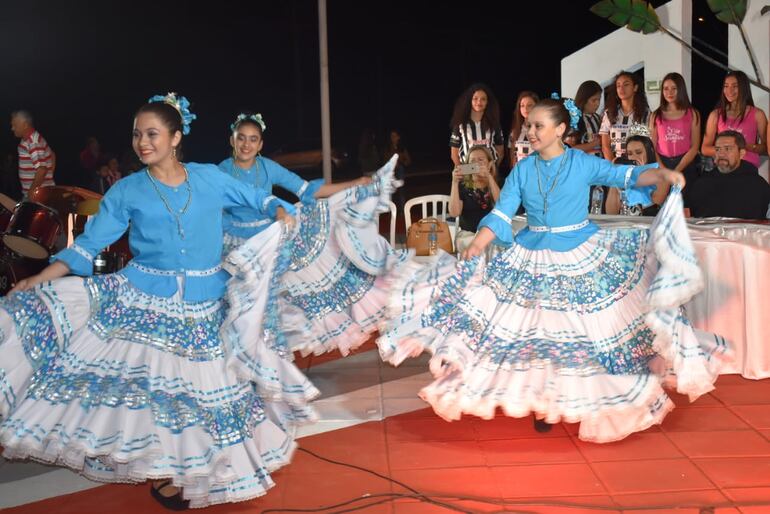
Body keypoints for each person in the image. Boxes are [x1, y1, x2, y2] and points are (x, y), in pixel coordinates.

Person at [0, 93, 318, 509]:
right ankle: (169, 471)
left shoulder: (208, 177)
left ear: (175, 137)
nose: (142, 142)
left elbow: (257, 198)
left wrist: (279, 209)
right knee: (158, 395)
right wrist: (43, 276)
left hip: (208, 302)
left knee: (205, 392)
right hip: (147, 300)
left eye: (152, 134)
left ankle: (197, 468)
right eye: (136, 135)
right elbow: (89, 246)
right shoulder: (128, 190)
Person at [378, 98, 730, 443]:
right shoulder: (523, 169)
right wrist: (479, 242)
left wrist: (665, 172)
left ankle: (589, 399)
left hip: (579, 253)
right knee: (538, 334)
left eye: (538, 126)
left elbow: (627, 174)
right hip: (531, 255)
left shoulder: (582, 162)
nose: (530, 132)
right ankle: (547, 401)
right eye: (529, 125)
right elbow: (502, 212)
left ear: (560, 129)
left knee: (585, 333)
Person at [219, 112, 372, 254]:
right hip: (234, 241)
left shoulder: (268, 167)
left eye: (253, 139)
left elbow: (307, 190)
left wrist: (354, 183)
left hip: (268, 238)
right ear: (232, 140)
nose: (246, 145)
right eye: (241, 138)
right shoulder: (221, 171)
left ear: (260, 145)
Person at [686, 130, 770, 219]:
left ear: (741, 153)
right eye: (717, 149)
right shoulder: (701, 183)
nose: (721, 154)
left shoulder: (757, 185)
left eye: (727, 149)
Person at [701, 70, 768, 170]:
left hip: (748, 168)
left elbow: (766, 148)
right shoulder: (716, 115)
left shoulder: (758, 114)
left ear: (743, 88)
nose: (729, 90)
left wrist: (745, 146)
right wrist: (726, 150)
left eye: (735, 86)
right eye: (726, 86)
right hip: (724, 168)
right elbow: (705, 149)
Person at [449, 145, 501, 257]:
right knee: (483, 246)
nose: (476, 163)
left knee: (500, 243)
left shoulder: (496, 184)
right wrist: (454, 183)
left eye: (481, 160)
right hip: (467, 235)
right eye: (472, 161)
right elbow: (454, 213)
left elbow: (502, 206)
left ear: (490, 164)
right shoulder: (462, 186)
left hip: (491, 233)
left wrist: (489, 177)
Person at [649, 72, 701, 185]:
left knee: (687, 201)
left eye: (674, 88)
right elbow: (651, 147)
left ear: (681, 89)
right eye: (666, 89)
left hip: (686, 165)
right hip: (662, 165)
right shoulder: (655, 115)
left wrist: (677, 170)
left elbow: (695, 146)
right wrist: (663, 169)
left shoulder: (693, 113)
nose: (669, 92)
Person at [605, 129, 668, 216]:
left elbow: (650, 213)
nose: (634, 157)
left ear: (650, 152)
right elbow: (611, 213)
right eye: (630, 154)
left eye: (638, 152)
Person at [449, 83, 504, 167]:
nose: (479, 102)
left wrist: (493, 168)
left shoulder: (494, 123)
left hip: (488, 170)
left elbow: (500, 151)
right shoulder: (460, 124)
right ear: (469, 101)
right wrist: (463, 172)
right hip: (468, 169)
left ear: (487, 102)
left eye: (483, 99)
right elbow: (454, 153)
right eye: (475, 98)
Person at [600, 71, 650, 162]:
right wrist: (614, 166)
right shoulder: (609, 113)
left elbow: (646, 143)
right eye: (618, 86)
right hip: (615, 163)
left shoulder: (645, 113)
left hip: (637, 162)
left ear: (635, 88)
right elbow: (605, 146)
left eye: (626, 85)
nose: (621, 89)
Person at [10, 110, 55, 196]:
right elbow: (52, 154)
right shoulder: (27, 140)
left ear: (25, 125)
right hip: (37, 193)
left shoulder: (33, 142)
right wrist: (49, 176)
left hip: (38, 196)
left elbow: (42, 170)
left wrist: (31, 193)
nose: (12, 128)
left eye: (14, 125)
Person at [507, 91, 540, 167]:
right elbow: (513, 155)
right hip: (520, 172)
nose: (525, 108)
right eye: (522, 105)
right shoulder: (515, 131)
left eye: (529, 105)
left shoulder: (542, 129)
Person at [572, 80, 603, 156]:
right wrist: (596, 143)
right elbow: (569, 149)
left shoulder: (598, 118)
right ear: (584, 99)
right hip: (582, 165)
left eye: (599, 99)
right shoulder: (574, 119)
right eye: (594, 100)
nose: (598, 104)